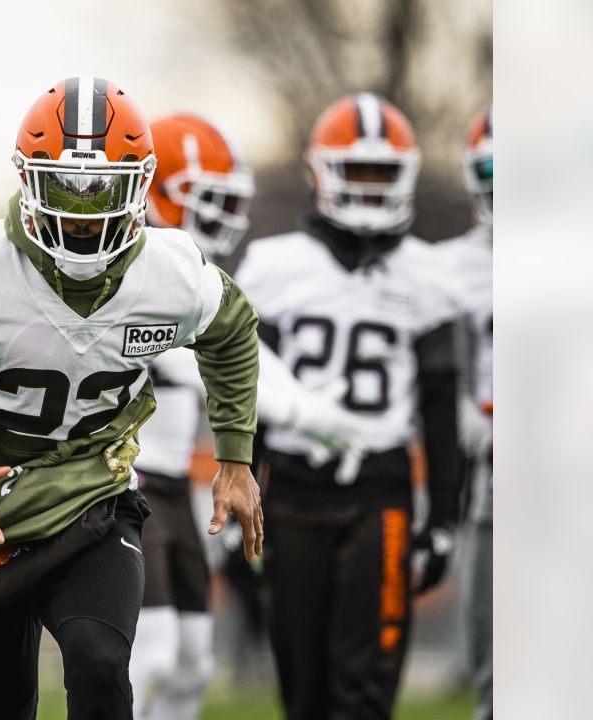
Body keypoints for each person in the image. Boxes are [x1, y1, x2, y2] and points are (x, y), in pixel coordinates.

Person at [0, 77, 263, 720]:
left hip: (93, 499)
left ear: (140, 185)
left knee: (100, 662)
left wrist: (234, 457)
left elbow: (232, 330)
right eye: (64, 186)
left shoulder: (170, 272)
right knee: (1, 706)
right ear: (28, 180)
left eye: (102, 190)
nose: (84, 212)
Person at [128, 114, 366, 720]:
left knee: (191, 663)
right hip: (122, 481)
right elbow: (201, 366)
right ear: (159, 191)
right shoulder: (133, 268)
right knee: (148, 655)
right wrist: (307, 414)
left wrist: (313, 410)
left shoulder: (194, 277)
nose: (223, 219)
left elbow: (247, 352)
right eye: (210, 201)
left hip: (173, 484)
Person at [234, 92, 463, 720]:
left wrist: (443, 516)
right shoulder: (275, 265)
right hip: (293, 492)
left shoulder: (430, 274)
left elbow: (441, 411)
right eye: (355, 170)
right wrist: (241, 489)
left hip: (379, 493)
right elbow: (247, 398)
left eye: (381, 172)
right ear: (320, 173)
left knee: (365, 689)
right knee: (303, 690)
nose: (368, 186)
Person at [435, 103, 493, 720]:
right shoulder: (450, 267)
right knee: (497, 674)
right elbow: (432, 376)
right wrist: (466, 419)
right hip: (496, 481)